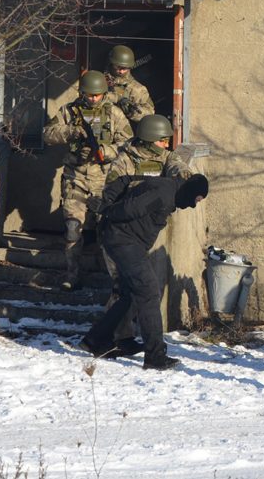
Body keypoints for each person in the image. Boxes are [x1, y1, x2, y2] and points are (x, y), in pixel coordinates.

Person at [79, 173, 209, 370]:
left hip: (126, 241)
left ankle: (97, 340)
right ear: (191, 191)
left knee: (131, 293)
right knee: (149, 291)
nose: (193, 205)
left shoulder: (169, 186)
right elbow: (130, 209)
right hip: (123, 241)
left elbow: (127, 180)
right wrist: (106, 209)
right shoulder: (164, 194)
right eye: (196, 200)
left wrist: (108, 205)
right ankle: (155, 356)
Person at [100, 114, 192, 357]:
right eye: (163, 140)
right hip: (120, 231)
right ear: (149, 140)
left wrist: (186, 178)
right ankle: (110, 339)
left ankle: (123, 337)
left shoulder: (165, 158)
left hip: (142, 233)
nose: (166, 144)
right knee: (121, 287)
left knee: (133, 287)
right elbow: (110, 196)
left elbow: (178, 166)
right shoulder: (124, 162)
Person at [43, 70, 132, 290]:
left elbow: (128, 143)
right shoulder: (69, 111)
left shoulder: (114, 113)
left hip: (105, 179)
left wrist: (106, 151)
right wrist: (72, 132)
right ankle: (72, 275)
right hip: (76, 177)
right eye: (89, 95)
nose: (93, 99)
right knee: (73, 227)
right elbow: (47, 134)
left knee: (108, 229)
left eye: (97, 95)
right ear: (82, 92)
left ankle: (115, 278)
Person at [105, 45, 154, 127]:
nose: (121, 71)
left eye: (125, 68)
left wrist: (131, 112)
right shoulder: (99, 80)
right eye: (118, 67)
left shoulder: (137, 89)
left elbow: (150, 114)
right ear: (112, 63)